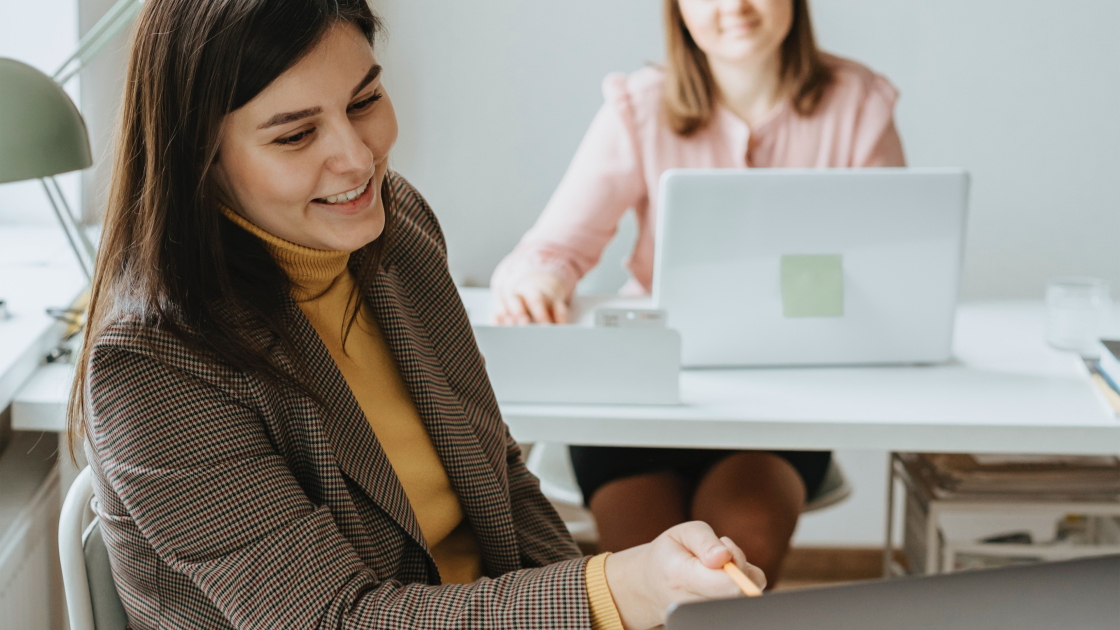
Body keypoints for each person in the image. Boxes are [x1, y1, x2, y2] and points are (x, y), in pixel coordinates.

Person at [67, 1, 765, 629]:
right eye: (295, 136)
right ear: (199, 158)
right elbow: (336, 619)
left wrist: (615, 601)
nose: (357, 159)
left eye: (364, 100)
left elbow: (499, 477)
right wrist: (616, 590)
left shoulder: (395, 231)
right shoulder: (154, 364)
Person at [491, 0, 905, 583]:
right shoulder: (638, 106)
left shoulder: (857, 102)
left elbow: (891, 265)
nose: (734, 7)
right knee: (649, 574)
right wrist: (542, 278)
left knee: (741, 550)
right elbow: (551, 249)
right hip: (645, 394)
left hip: (779, 401)